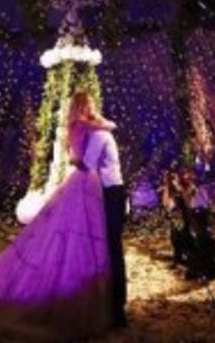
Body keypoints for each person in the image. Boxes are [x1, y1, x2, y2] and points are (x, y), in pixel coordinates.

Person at [0, 91, 118, 340]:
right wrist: (103, 126)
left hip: (77, 181)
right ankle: (81, 290)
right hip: (87, 182)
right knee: (84, 233)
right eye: (89, 103)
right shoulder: (90, 127)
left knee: (67, 231)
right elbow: (88, 159)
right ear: (84, 106)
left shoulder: (73, 127)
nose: (93, 106)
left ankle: (73, 279)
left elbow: (76, 156)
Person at [80, 93, 128, 329]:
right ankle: (115, 305)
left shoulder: (98, 135)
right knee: (112, 246)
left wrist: (73, 159)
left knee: (112, 247)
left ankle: (117, 308)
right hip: (114, 191)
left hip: (111, 193)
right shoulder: (102, 132)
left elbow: (87, 164)